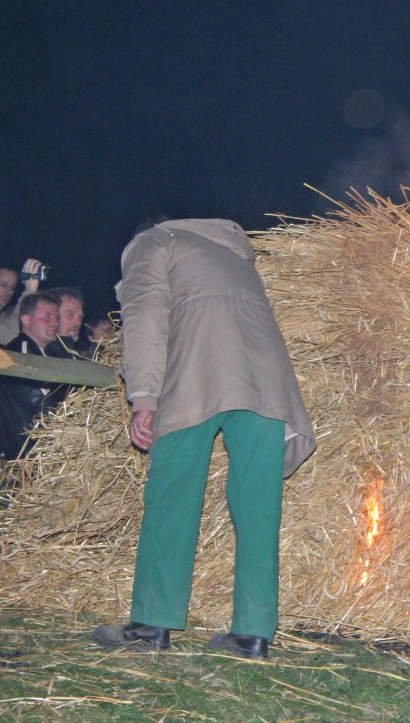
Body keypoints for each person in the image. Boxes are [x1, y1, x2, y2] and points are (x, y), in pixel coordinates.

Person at [92, 219, 316, 659]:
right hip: (268, 380)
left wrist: (144, 397)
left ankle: (151, 623)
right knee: (259, 507)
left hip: (198, 369)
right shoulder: (234, 252)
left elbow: (146, 316)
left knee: (173, 494)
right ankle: (253, 633)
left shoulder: (153, 242)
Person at [0, 293, 67, 460]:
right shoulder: (19, 354)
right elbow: (43, 405)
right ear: (26, 320)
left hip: (38, 452)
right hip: (24, 454)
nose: (55, 322)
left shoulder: (52, 354)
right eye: (47, 316)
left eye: (57, 317)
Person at [0, 259, 46, 346]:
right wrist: (30, 290)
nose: (8, 292)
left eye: (12, 288)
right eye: (3, 285)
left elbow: (13, 330)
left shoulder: (6, 317)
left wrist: (31, 288)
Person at [46, 286, 87, 358]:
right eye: (70, 314)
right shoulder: (40, 353)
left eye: (80, 317)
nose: (77, 322)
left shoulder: (81, 356)